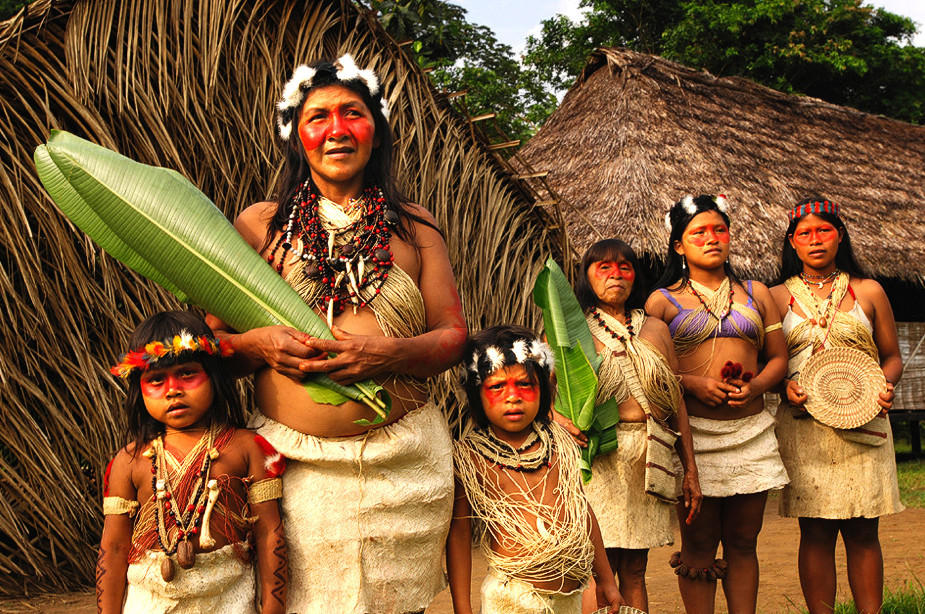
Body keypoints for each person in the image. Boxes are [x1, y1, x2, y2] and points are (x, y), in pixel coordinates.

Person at [206, 53, 467, 613]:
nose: (336, 130)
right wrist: (257, 344)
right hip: (292, 469)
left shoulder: (413, 225)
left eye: (353, 112)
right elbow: (210, 352)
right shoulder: (260, 223)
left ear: (377, 129)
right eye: (318, 116)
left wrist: (391, 353)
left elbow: (452, 336)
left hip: (406, 466)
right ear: (296, 136)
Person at [645, 194, 789, 614]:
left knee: (745, 542)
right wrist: (692, 384)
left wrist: (757, 385)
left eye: (719, 230)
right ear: (678, 245)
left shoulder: (756, 293)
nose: (712, 239)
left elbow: (778, 357)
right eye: (699, 233)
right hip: (696, 437)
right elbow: (649, 373)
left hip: (751, 432)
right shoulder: (662, 301)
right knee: (699, 548)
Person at [97, 310, 287, 614]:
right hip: (151, 602)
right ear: (138, 390)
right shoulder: (129, 461)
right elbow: (115, 548)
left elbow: (268, 532)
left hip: (228, 599)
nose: (173, 389)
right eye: (156, 380)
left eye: (187, 374)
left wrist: (273, 609)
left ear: (213, 376)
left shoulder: (247, 449)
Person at [769, 197, 903, 614]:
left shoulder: (869, 291)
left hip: (867, 421)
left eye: (824, 230)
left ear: (839, 235)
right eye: (805, 233)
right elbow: (767, 363)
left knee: (865, 532)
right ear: (792, 242)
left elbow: (892, 356)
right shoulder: (773, 298)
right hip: (804, 427)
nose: (815, 239)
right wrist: (783, 387)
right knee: (815, 533)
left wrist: (886, 384)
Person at [553, 239, 701, 613]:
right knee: (597, 567)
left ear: (636, 275)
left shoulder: (654, 329)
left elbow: (675, 397)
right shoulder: (569, 328)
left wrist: (691, 469)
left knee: (635, 568)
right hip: (598, 458)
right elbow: (539, 396)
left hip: (648, 455)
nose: (615, 274)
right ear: (586, 276)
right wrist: (562, 422)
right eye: (603, 267)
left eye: (624, 267)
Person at [446, 326, 624, 614]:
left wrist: (605, 580)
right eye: (497, 387)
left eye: (524, 384)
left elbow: (581, 511)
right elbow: (459, 535)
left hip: (570, 596)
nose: (512, 396)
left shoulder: (559, 442)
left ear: (542, 387)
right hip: (511, 599)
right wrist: (462, 608)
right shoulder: (470, 457)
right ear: (477, 394)